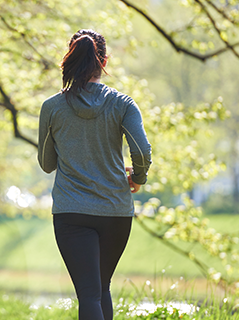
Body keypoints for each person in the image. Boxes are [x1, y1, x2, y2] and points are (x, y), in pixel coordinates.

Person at [37, 29, 152, 320]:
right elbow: (141, 151)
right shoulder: (123, 104)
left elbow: (47, 163)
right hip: (115, 211)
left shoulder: (52, 107)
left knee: (89, 295)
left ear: (71, 59)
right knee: (101, 289)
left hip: (71, 212)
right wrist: (137, 178)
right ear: (104, 61)